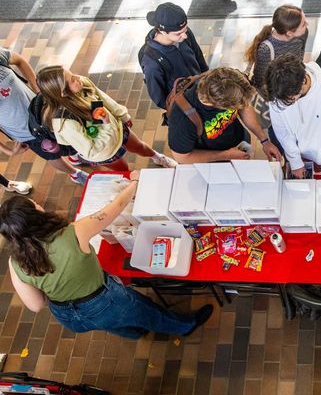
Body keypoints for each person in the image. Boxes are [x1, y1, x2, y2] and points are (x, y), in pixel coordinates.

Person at [1, 172, 213, 339]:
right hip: (102, 300)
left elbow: (36, 305)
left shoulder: (15, 262)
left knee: (112, 323)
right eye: (34, 206)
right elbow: (115, 208)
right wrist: (135, 183)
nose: (38, 204)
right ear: (34, 217)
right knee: (147, 311)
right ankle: (185, 327)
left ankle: (136, 333)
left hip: (67, 314)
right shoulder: (72, 233)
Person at [37, 66, 177, 171]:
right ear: (62, 92)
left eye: (73, 74)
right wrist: (107, 124)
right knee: (123, 169)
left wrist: (121, 114)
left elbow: (102, 97)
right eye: (72, 80)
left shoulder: (82, 83)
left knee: (139, 146)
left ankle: (158, 158)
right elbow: (93, 149)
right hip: (104, 152)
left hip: (116, 129)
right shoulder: (65, 123)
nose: (78, 78)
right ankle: (132, 181)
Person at [0, 47, 88, 184]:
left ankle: (76, 156)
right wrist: (8, 151)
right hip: (27, 131)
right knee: (52, 154)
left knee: (68, 134)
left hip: (44, 110)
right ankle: (75, 173)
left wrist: (39, 90)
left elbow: (19, 60)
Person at [167, 67, 282, 163]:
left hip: (239, 141)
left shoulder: (226, 79)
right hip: (212, 161)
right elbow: (182, 157)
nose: (243, 106)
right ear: (218, 105)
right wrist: (226, 155)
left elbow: (244, 106)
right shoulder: (182, 120)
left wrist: (264, 140)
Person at [266, 54, 321, 178]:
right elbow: (282, 132)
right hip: (297, 152)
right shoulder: (278, 93)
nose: (283, 104)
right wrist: (295, 161)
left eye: (289, 101)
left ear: (303, 80)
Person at [140, 3, 209, 110]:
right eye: (178, 34)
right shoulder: (151, 63)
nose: (185, 35)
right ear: (162, 31)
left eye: (185, 30)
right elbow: (159, 98)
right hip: (185, 106)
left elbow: (198, 56)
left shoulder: (184, 35)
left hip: (203, 92)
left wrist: (207, 78)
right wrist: (180, 110)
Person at [244, 4, 308, 91]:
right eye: (303, 24)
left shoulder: (303, 33)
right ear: (289, 33)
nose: (307, 24)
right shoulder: (265, 49)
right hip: (276, 90)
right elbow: (261, 82)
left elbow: (300, 58)